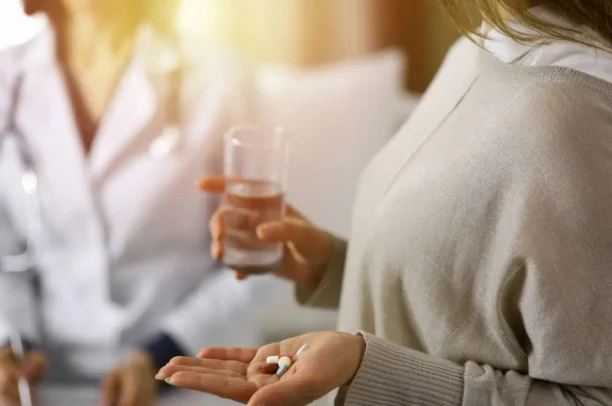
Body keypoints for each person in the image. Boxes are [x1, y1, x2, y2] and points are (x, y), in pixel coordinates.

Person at [156, 1, 612, 406]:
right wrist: (335, 268)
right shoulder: (482, 48)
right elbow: (479, 299)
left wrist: (366, 372)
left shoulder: (578, 121)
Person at [0, 0, 282, 405]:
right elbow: (3, 252)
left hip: (187, 375)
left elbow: (258, 261)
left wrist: (159, 355)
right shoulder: (8, 78)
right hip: (41, 381)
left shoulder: (220, 79)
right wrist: (9, 346)